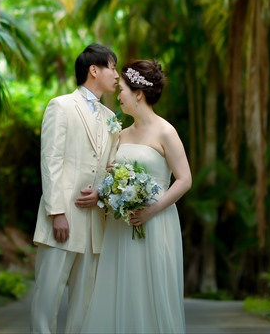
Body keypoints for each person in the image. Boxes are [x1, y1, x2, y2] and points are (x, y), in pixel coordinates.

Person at [83, 59, 192, 334]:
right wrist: (109, 185)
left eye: (122, 89)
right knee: (121, 287)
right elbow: (111, 177)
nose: (118, 95)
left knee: (151, 288)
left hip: (156, 223)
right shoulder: (121, 134)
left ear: (138, 94)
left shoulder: (166, 131)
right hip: (122, 226)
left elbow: (184, 180)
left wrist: (152, 210)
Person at [31, 44, 121, 334]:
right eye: (113, 67)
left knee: (84, 304)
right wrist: (56, 212)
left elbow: (110, 168)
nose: (117, 75)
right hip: (63, 218)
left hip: (95, 224)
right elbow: (51, 160)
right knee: (48, 297)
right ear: (94, 70)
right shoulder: (60, 105)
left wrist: (103, 194)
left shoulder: (111, 119)